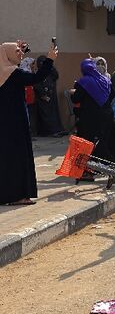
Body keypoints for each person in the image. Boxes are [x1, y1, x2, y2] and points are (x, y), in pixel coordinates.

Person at [0, 40, 58, 205]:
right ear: (8, 55)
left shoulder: (4, 71)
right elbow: (37, 77)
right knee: (19, 159)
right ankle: (17, 195)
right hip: (16, 123)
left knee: (7, 159)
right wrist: (50, 59)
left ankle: (8, 195)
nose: (20, 53)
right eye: (17, 51)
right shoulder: (13, 73)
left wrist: (17, 51)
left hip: (5, 123)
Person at [71, 58, 115, 170]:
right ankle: (106, 164)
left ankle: (86, 168)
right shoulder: (106, 80)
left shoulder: (84, 81)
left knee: (86, 142)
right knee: (102, 141)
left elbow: (76, 99)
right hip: (106, 116)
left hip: (89, 117)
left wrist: (74, 91)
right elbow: (112, 95)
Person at [33, 55, 64, 136]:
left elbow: (55, 76)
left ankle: (55, 130)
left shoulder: (50, 72)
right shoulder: (38, 73)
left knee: (53, 114)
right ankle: (46, 131)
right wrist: (43, 94)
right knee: (44, 115)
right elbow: (37, 85)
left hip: (51, 98)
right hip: (42, 99)